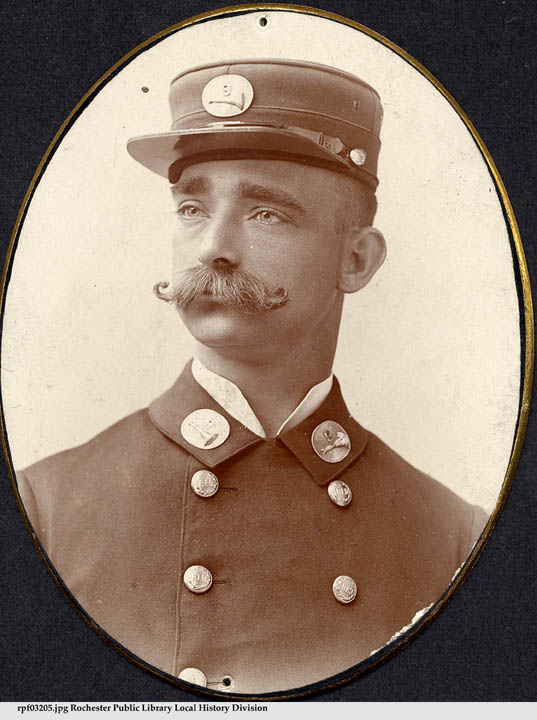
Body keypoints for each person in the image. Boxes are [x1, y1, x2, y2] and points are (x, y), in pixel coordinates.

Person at [16, 59, 488, 694]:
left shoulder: (457, 540)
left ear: (356, 259)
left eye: (266, 213)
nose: (213, 246)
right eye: (191, 208)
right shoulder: (41, 510)